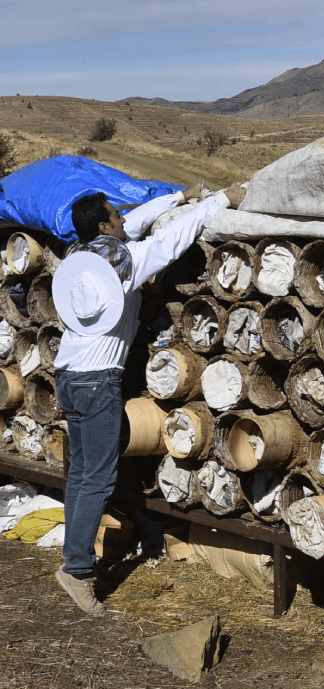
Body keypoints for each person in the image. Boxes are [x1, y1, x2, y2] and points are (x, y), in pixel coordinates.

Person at [52, 183, 245, 614]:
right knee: (98, 479)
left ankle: (74, 560)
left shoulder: (82, 258)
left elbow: (134, 223)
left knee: (82, 474)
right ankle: (78, 570)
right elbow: (166, 241)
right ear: (104, 225)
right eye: (116, 216)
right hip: (98, 381)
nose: (125, 220)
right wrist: (219, 201)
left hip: (68, 376)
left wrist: (178, 196)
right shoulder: (125, 263)